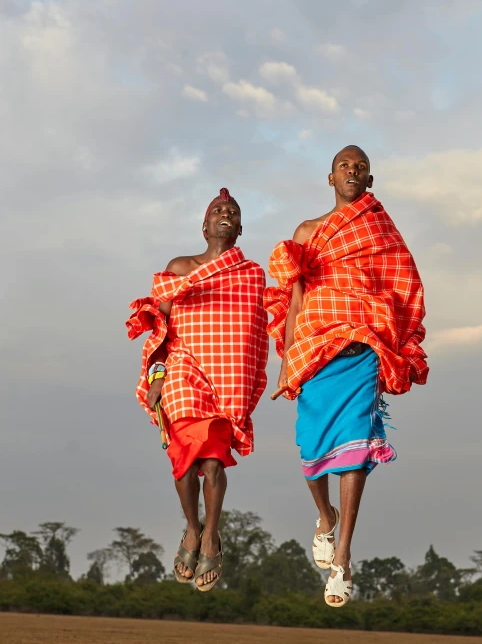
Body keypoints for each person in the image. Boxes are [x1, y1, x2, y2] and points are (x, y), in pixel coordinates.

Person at [265, 146, 428, 607]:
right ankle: (325, 514)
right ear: (330, 177)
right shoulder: (308, 232)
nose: (352, 172)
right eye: (344, 166)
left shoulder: (380, 229)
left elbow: (403, 283)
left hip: (363, 351)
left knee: (354, 451)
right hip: (316, 351)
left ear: (369, 180)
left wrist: (397, 341)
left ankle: (343, 556)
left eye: (360, 167)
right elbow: (293, 300)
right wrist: (286, 362)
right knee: (311, 449)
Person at [127, 188, 268, 591]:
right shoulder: (180, 266)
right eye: (218, 210)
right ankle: (192, 528)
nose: (225, 213)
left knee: (212, 463)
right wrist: (155, 378)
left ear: (239, 229)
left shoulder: (251, 274)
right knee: (185, 461)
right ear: (204, 226)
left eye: (233, 212)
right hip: (182, 371)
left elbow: (255, 334)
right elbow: (160, 328)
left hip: (228, 378)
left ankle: (211, 536)